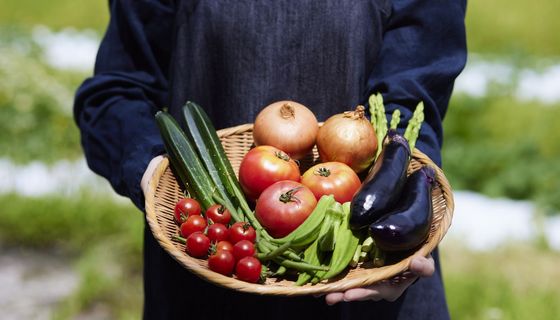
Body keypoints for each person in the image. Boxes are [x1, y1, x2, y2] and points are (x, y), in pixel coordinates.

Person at [74, 0, 467, 319]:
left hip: (371, 274)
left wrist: (407, 221)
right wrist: (151, 169)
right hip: (215, 257)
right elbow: (116, 92)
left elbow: (410, 105)